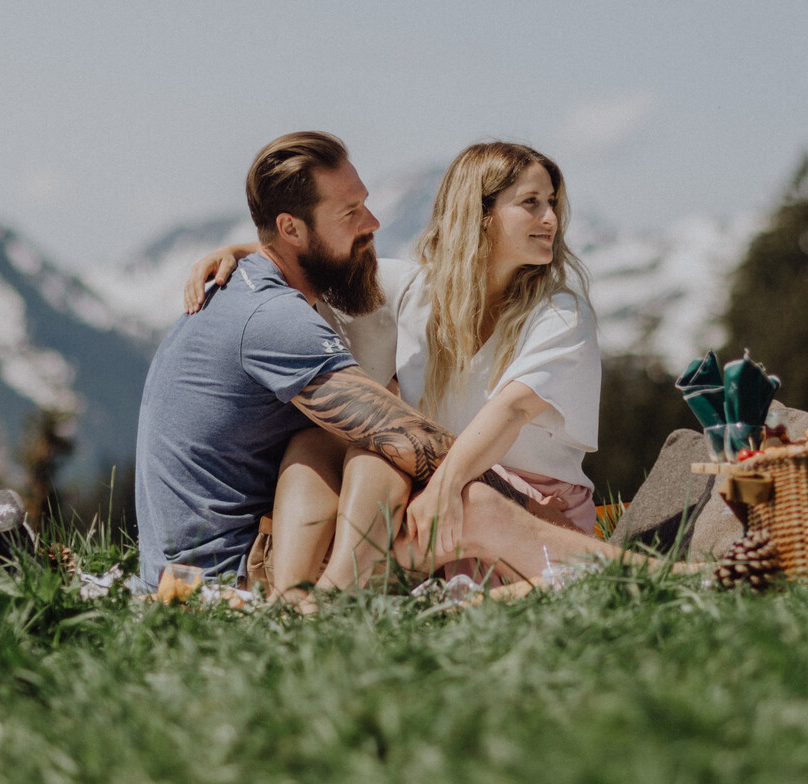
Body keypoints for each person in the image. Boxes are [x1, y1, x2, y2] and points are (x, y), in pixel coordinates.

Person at [137, 131, 626, 594]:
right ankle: (306, 597)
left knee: (381, 438)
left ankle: (326, 599)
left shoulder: (562, 312)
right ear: (480, 214)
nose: (551, 219)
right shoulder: (412, 292)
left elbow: (512, 410)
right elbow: (326, 265)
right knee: (336, 436)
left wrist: (469, 489)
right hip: (441, 503)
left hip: (528, 505)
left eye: (553, 204)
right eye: (531, 203)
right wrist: (255, 251)